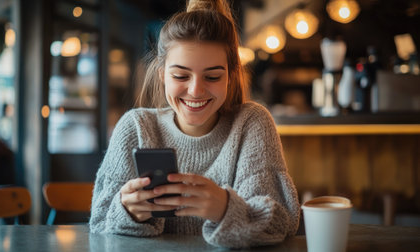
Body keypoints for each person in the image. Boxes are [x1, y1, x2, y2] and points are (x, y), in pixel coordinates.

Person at [89, 0, 300, 248]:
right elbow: (99, 224)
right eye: (180, 76)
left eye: (212, 76)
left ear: (230, 78)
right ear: (162, 75)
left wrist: (224, 208)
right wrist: (128, 212)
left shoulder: (251, 124)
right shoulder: (135, 127)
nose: (195, 90)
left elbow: (281, 224)